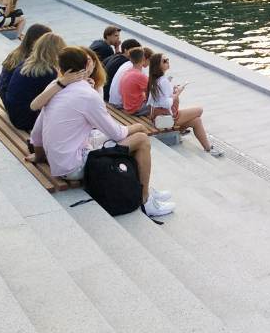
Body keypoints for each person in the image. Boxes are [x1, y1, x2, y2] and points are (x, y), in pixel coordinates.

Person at [28, 45, 171, 217]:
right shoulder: (87, 95)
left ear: (60, 68)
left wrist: (40, 156)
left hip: (60, 161)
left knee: (126, 134)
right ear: (88, 64)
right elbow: (116, 133)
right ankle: (145, 199)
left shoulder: (55, 87)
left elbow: (37, 132)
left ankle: (140, 186)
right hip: (74, 167)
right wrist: (137, 126)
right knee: (141, 138)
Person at [146, 52, 223, 155]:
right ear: (158, 66)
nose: (167, 62)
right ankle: (206, 147)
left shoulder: (155, 79)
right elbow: (166, 103)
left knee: (197, 121)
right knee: (199, 110)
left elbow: (159, 98)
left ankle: (208, 148)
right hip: (167, 117)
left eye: (167, 59)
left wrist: (172, 91)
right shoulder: (163, 81)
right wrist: (178, 93)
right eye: (164, 61)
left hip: (158, 116)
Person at [3, 32, 67, 132]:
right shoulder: (48, 72)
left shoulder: (27, 63)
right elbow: (55, 100)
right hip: (25, 120)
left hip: (14, 112)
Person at [0, 24, 52, 99]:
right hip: (13, 99)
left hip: (5, 93)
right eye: (47, 41)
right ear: (36, 40)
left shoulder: (16, 53)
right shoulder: (31, 59)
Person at [112, 46, 152, 111]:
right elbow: (153, 92)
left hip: (124, 105)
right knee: (159, 105)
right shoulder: (140, 75)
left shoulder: (128, 71)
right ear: (144, 59)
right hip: (133, 108)